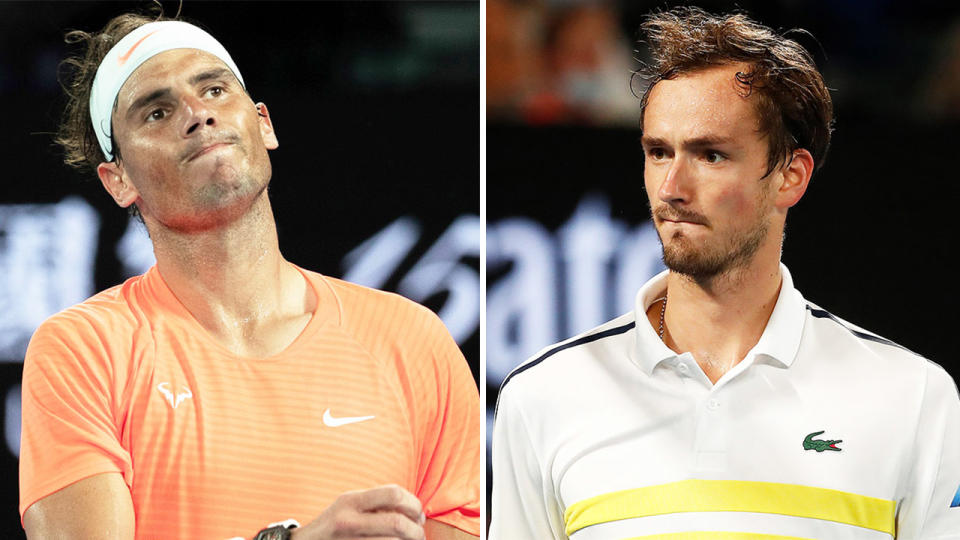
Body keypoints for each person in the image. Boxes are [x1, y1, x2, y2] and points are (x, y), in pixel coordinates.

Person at [489, 6, 960, 539]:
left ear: (790, 175)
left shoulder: (914, 396)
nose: (672, 187)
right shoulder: (542, 396)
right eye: (658, 152)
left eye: (710, 155)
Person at [19, 11, 481, 540]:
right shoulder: (83, 350)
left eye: (214, 89)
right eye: (156, 112)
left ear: (263, 123)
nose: (198, 114)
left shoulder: (414, 341)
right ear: (118, 178)